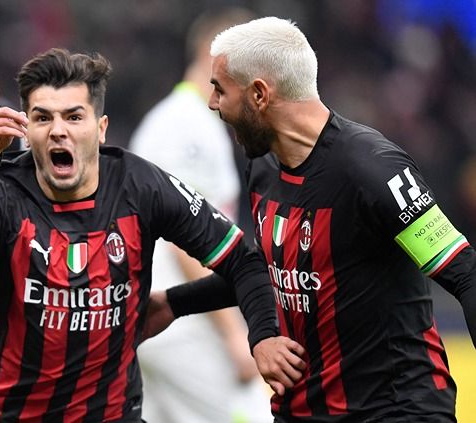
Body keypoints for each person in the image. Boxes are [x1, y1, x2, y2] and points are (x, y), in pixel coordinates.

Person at [0, 47, 306, 422]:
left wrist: (194, 310)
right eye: (42, 118)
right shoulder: (3, 187)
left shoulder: (141, 186)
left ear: (100, 130)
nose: (58, 130)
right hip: (7, 414)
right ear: (27, 129)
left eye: (74, 116)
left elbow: (244, 261)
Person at [150, 16, 476, 422]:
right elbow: (271, 267)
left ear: (259, 95)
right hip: (302, 410)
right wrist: (173, 303)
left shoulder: (375, 170)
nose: (213, 103)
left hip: (394, 411)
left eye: (220, 89)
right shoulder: (264, 167)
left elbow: (464, 272)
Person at [129, 8, 272, 423]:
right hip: (179, 323)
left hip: (165, 320)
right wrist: (234, 333)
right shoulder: (181, 126)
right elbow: (182, 239)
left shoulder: (194, 123)